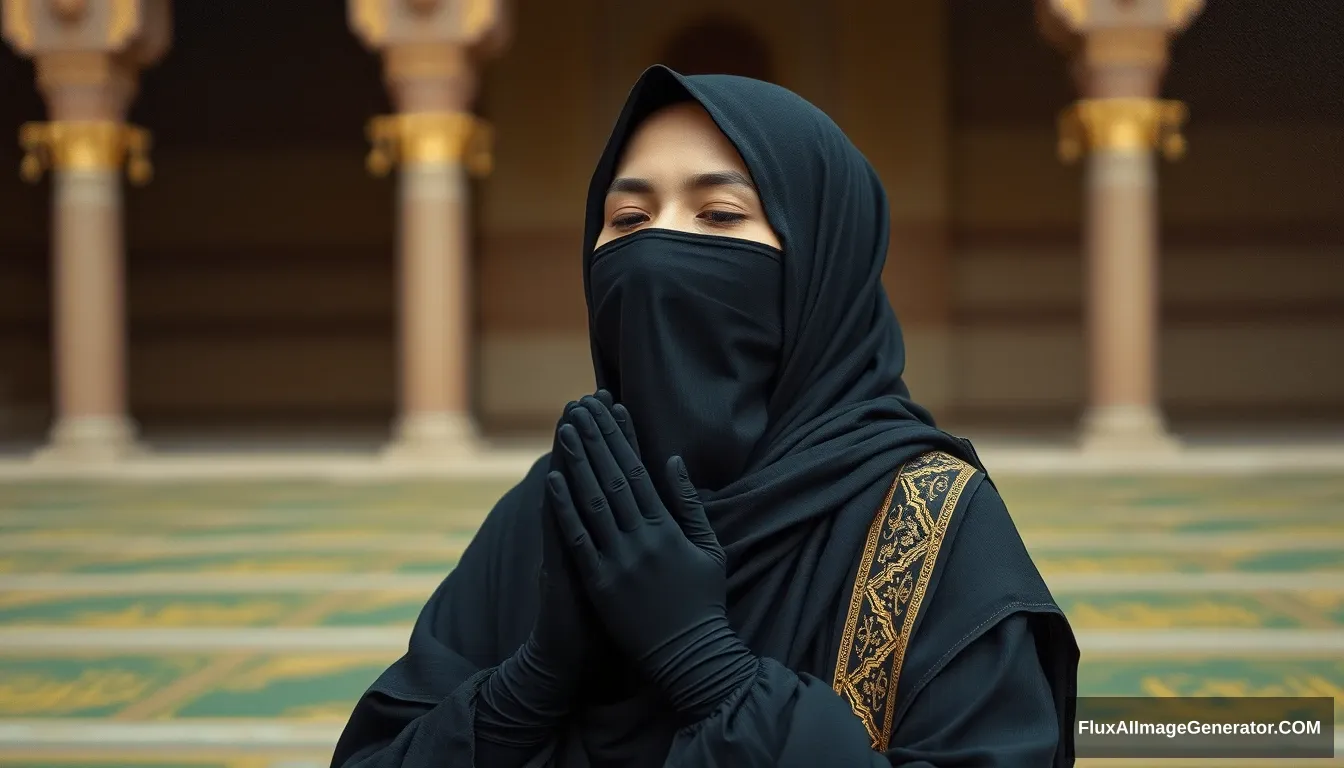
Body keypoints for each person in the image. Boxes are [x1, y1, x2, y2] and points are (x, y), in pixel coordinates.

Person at [330, 65, 1078, 768]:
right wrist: (529, 683)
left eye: (719, 213)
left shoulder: (931, 525)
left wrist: (708, 667)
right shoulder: (559, 506)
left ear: (822, 265)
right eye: (627, 217)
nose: (656, 251)